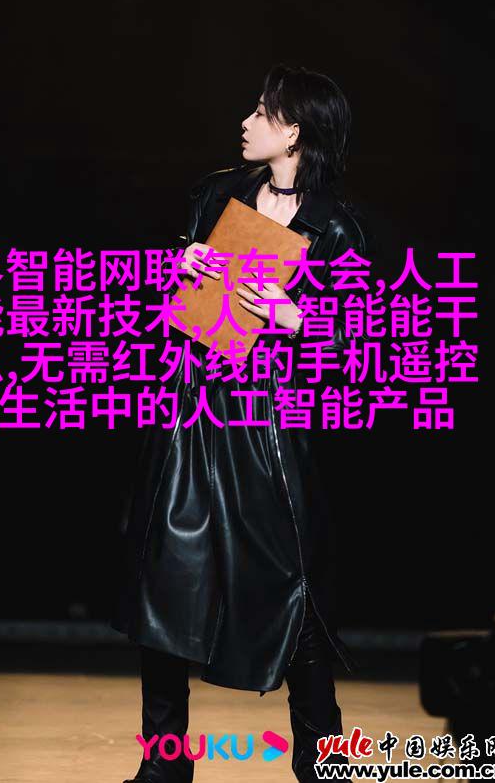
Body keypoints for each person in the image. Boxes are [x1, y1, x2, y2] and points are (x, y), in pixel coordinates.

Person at [110, 64, 373, 782]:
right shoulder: (216, 194)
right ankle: (164, 765)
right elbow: (168, 309)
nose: (247, 121)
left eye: (262, 112)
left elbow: (364, 346)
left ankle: (322, 760)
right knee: (167, 586)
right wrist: (178, 267)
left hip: (270, 433)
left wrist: (297, 319)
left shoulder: (337, 226)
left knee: (294, 596)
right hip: (193, 414)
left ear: (294, 132)